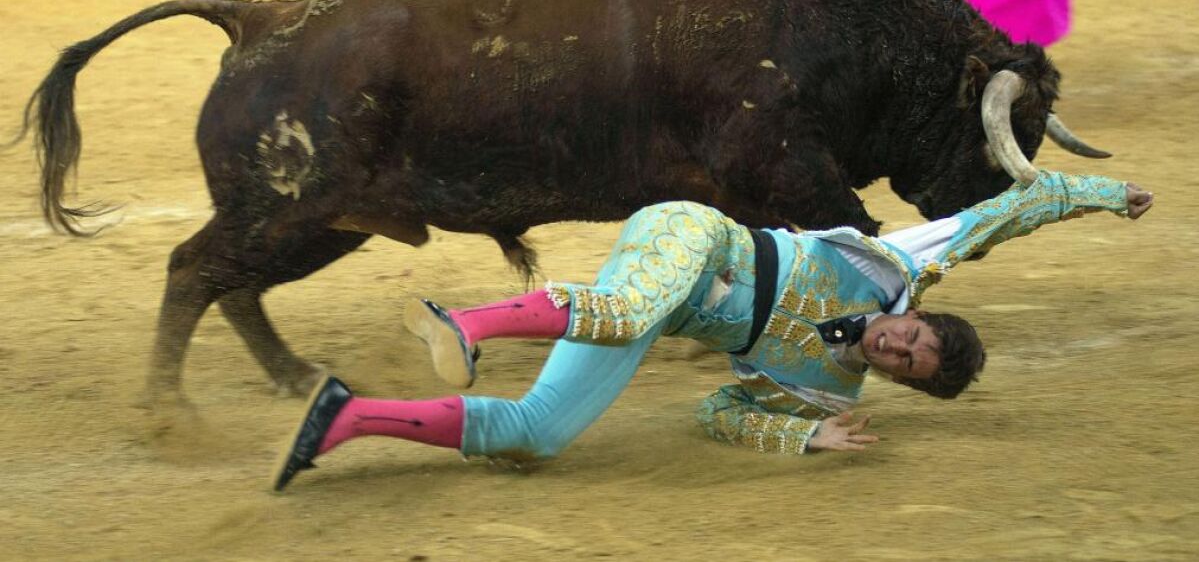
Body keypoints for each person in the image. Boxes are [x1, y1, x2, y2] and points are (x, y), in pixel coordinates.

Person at [273, 171, 1153, 490]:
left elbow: (717, 413)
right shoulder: (897, 267)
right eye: (912, 337)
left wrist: (798, 435)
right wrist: (1107, 196)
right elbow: (1011, 209)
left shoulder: (823, 391)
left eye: (906, 366)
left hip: (662, 309)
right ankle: (464, 324)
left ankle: (346, 416)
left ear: (899, 382)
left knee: (537, 435)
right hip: (690, 235)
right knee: (626, 309)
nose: (895, 346)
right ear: (916, 313)